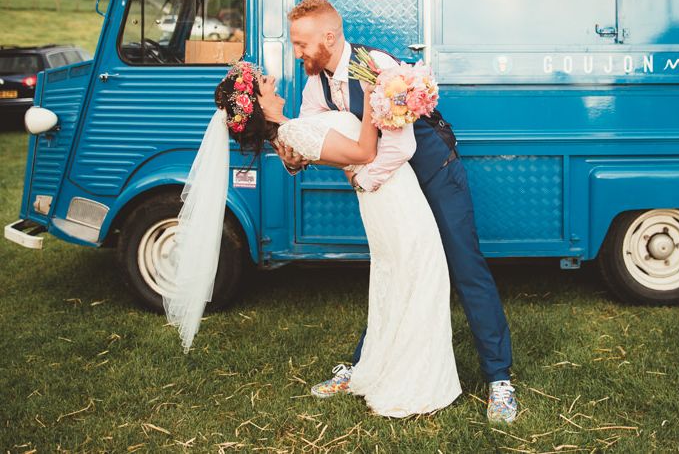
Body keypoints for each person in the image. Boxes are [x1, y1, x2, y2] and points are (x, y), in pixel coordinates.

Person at [259, 0, 518, 423]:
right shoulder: (314, 86)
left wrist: (362, 179)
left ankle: (499, 379)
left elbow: (402, 144)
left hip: (433, 173)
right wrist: (291, 150)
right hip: (395, 187)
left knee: (465, 268)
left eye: (302, 43)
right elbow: (314, 140)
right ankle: (366, 366)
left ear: (329, 36)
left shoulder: (376, 66)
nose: (297, 52)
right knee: (392, 270)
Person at [169, 59, 462, 417]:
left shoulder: (293, 130)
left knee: (407, 281)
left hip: (391, 194)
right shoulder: (293, 134)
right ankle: (411, 383)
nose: (273, 79)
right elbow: (364, 153)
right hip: (392, 199)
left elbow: (334, 148)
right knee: (419, 276)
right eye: (264, 81)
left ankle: (398, 371)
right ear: (258, 102)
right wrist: (372, 98)